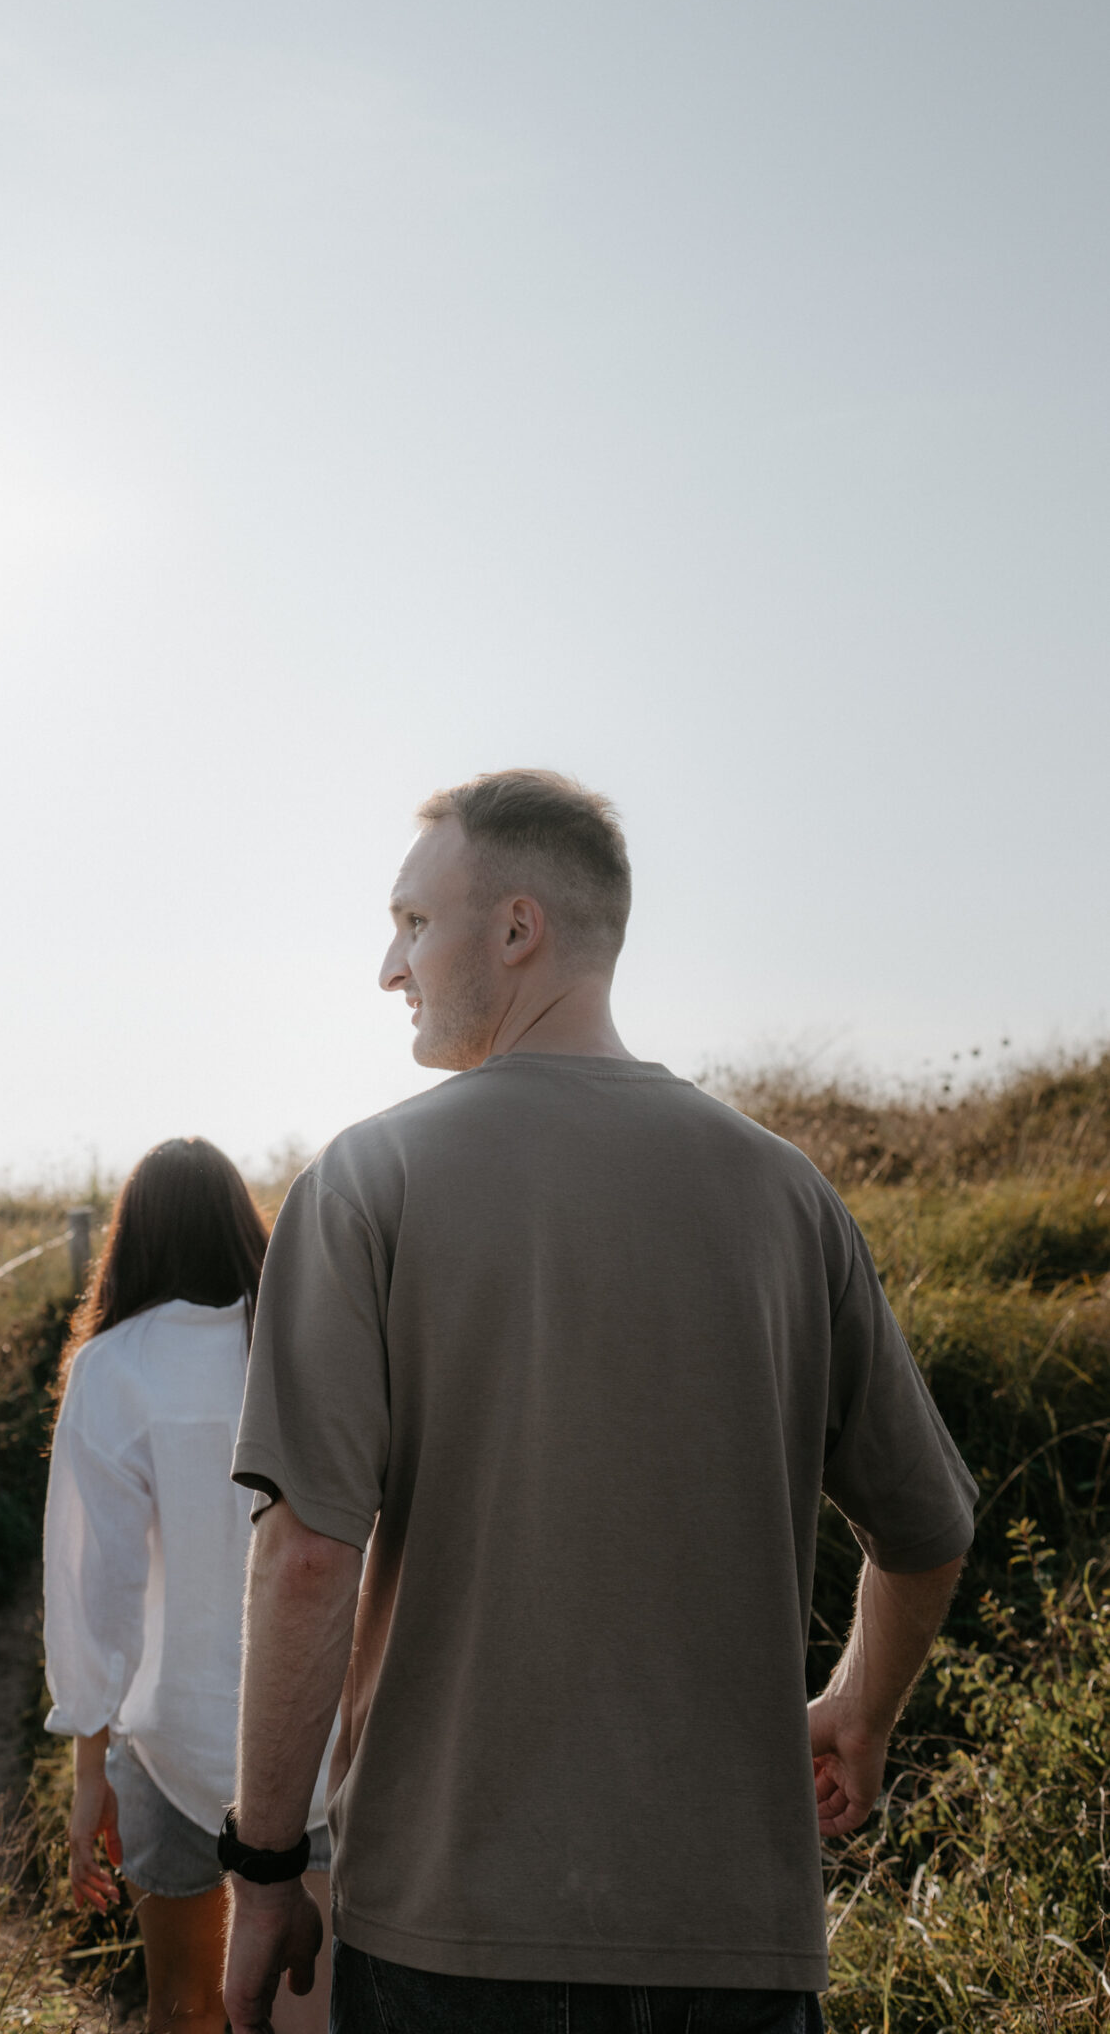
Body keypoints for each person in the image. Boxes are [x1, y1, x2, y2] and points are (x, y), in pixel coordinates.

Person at [219, 769, 976, 2034]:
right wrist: (860, 1706)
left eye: (413, 923)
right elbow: (929, 1533)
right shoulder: (789, 1197)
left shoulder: (366, 1180)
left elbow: (305, 1560)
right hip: (739, 1953)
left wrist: (260, 1871)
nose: (388, 968)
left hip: (445, 1940)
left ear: (518, 930)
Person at [43, 1135, 335, 2034]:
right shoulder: (311, 1348)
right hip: (317, 1746)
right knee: (306, 2016)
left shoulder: (113, 1368)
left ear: (133, 1238)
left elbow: (100, 1592)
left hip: (167, 1745)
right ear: (242, 1227)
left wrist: (88, 1772)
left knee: (184, 2008)